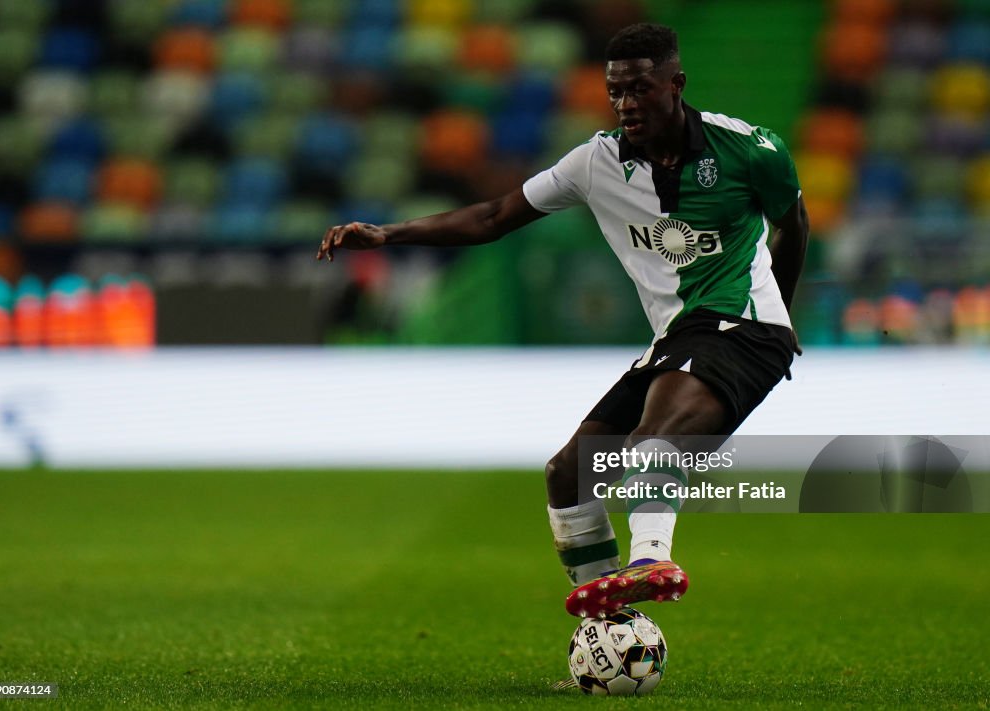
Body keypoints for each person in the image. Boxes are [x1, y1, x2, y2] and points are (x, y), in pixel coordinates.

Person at [318, 23, 808, 619]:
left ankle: (652, 558)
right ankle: (610, 627)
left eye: (641, 89)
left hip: (743, 324)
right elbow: (494, 216)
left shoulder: (749, 150)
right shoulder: (594, 163)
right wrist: (389, 233)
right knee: (568, 475)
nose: (626, 104)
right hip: (675, 338)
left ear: (676, 85)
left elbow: (795, 225)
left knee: (652, 438)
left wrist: (779, 315)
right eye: (615, 91)